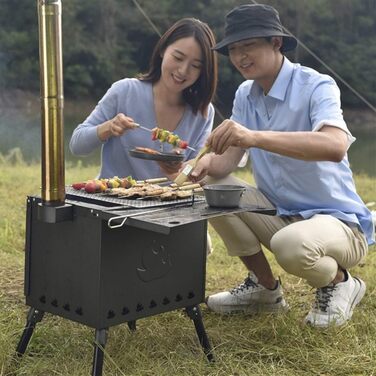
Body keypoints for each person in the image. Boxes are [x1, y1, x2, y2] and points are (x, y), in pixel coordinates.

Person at [190, 4, 374, 328]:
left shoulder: (317, 85)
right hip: (279, 214)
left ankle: (342, 282)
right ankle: (264, 289)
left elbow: (334, 146)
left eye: (249, 45)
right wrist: (205, 163)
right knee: (216, 188)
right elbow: (228, 162)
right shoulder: (246, 94)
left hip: (339, 224)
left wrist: (255, 136)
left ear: (276, 42)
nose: (240, 56)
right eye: (233, 49)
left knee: (289, 245)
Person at [69, 18, 217, 181]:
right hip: (111, 200)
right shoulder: (124, 91)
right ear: (163, 50)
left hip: (163, 203)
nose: (183, 70)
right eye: (178, 58)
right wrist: (108, 128)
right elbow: (77, 145)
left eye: (195, 66)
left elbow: (193, 173)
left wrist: (175, 170)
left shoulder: (203, 112)